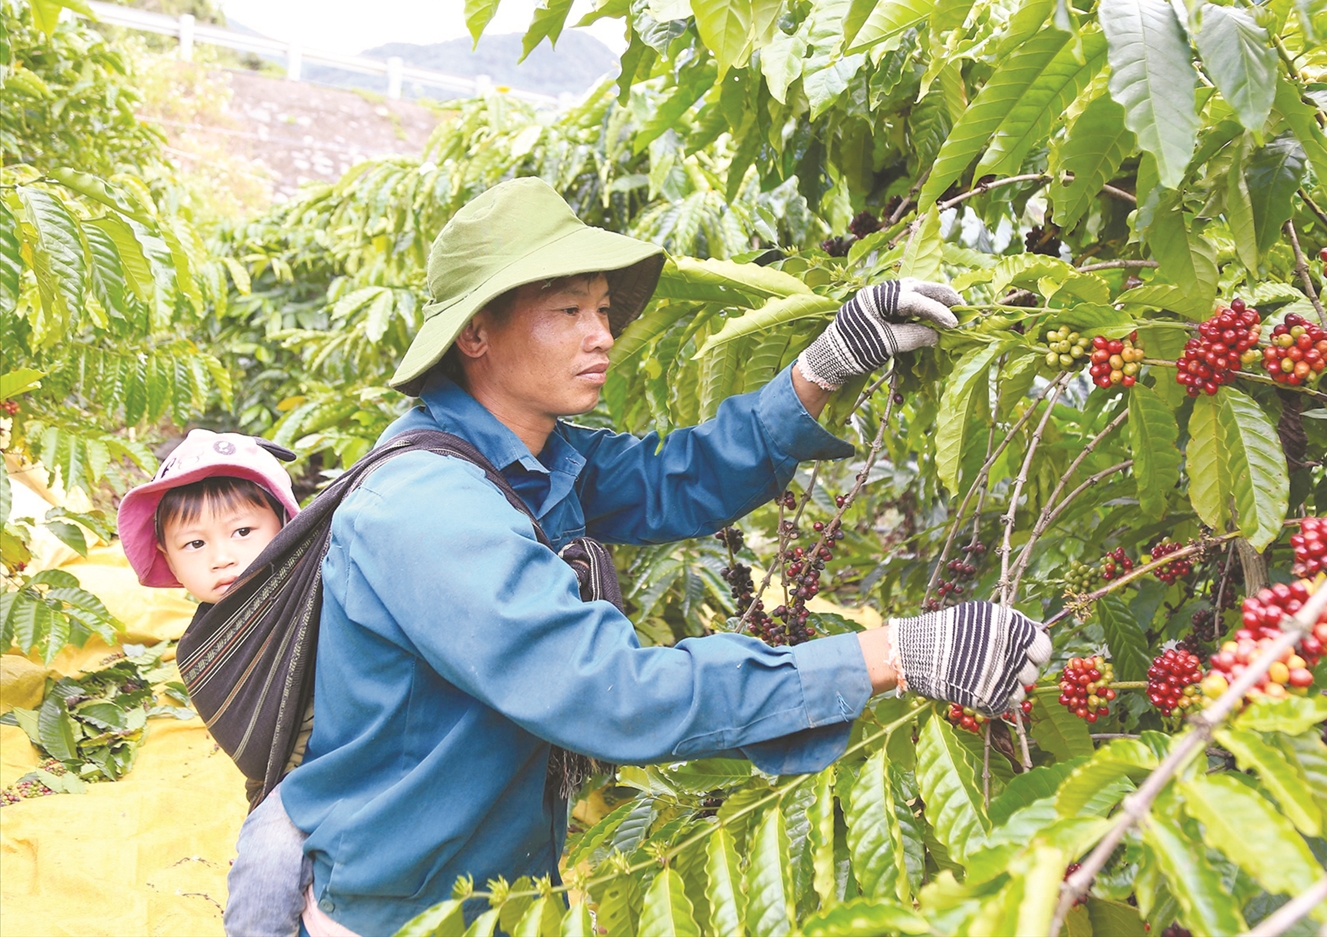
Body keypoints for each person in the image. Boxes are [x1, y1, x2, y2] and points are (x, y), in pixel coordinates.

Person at [277, 178, 1053, 935]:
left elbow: (673, 478)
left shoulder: (536, 455)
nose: (602, 335)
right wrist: (893, 652)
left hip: (499, 891)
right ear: (475, 333)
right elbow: (613, 691)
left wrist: (823, 366)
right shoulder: (429, 508)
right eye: (569, 310)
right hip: (404, 912)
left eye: (604, 310)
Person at [117, 430, 310, 937]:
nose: (221, 557)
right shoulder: (205, 646)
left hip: (373, 755)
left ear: (285, 524)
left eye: (243, 532)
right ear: (168, 556)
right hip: (293, 783)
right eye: (195, 544)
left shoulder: (320, 583)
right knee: (261, 881)